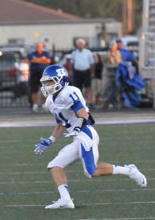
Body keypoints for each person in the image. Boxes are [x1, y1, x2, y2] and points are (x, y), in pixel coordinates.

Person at [33, 64, 147, 209]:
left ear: (61, 80)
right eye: (46, 82)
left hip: (85, 133)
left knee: (91, 171)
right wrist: (50, 140)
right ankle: (66, 200)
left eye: (50, 81)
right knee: (55, 165)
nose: (47, 85)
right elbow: (61, 124)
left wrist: (77, 127)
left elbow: (83, 113)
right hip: (76, 136)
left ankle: (129, 170)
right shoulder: (50, 101)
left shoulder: (69, 92)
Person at [71, 39, 95, 108]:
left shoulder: (88, 52)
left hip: (86, 72)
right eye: (79, 44)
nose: (80, 46)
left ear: (84, 45)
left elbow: (92, 63)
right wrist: (72, 72)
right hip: (77, 72)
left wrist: (92, 72)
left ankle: (90, 102)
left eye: (81, 44)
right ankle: (80, 102)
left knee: (88, 87)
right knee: (78, 88)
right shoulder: (74, 53)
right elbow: (72, 63)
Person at [29, 42, 51, 112]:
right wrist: (42, 59)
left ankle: (44, 104)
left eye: (40, 46)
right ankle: (35, 105)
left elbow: (48, 61)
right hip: (34, 73)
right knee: (34, 90)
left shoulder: (46, 53)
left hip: (43, 73)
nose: (39, 48)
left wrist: (38, 60)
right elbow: (32, 60)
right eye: (38, 46)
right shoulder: (33, 53)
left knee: (45, 89)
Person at [101, 42, 122, 110]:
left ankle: (115, 104)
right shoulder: (107, 54)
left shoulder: (118, 53)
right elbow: (106, 64)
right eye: (111, 47)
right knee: (105, 88)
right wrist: (113, 65)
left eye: (113, 47)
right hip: (107, 74)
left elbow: (119, 62)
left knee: (115, 90)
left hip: (115, 74)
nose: (112, 48)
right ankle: (105, 103)